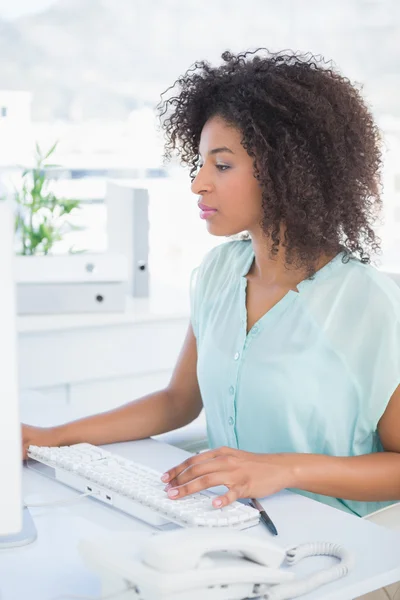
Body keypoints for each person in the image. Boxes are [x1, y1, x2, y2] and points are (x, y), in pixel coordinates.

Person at [22, 49, 400, 520]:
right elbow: (177, 402)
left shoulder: (372, 306)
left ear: (289, 171)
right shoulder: (220, 273)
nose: (198, 183)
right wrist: (45, 437)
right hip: (233, 530)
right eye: (200, 164)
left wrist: (285, 470)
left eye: (222, 166)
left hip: (345, 557)